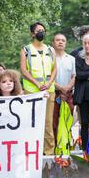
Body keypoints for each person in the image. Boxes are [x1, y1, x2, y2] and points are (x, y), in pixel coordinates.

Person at [20, 22, 57, 155]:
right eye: (38, 30)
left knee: (48, 122)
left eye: (43, 30)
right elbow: (24, 70)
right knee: (33, 121)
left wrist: (48, 83)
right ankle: (33, 151)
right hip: (31, 91)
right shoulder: (26, 50)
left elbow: (54, 70)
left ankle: (49, 152)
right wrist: (36, 83)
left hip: (48, 90)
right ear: (32, 34)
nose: (41, 32)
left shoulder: (50, 49)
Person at [52, 33, 76, 140]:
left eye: (63, 40)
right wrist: (60, 88)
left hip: (68, 94)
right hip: (53, 94)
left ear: (65, 43)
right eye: (58, 40)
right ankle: (54, 146)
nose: (60, 42)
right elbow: (47, 78)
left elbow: (74, 76)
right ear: (53, 43)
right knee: (53, 121)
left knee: (68, 119)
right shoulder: (49, 59)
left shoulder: (71, 59)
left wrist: (66, 89)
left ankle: (67, 145)